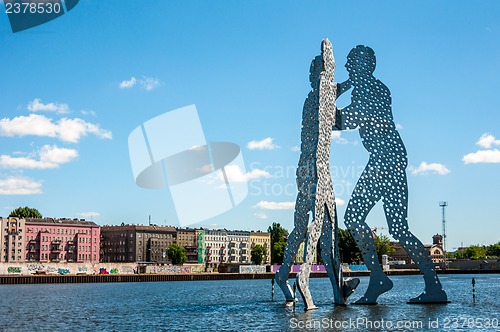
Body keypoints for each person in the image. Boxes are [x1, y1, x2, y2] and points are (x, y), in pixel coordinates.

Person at [335, 45, 448, 304]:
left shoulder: (372, 90)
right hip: (391, 159)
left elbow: (344, 121)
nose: (348, 69)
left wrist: (329, 97)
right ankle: (431, 287)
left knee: (353, 216)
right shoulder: (372, 88)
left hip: (385, 161)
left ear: (364, 67)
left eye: (352, 64)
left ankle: (378, 278)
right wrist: (339, 90)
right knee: (398, 227)